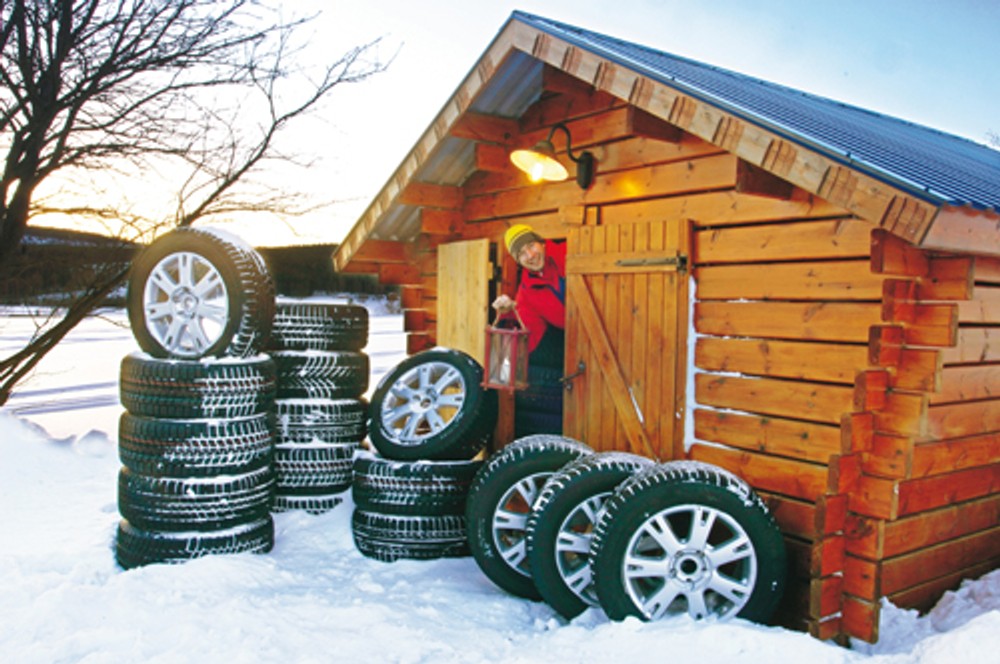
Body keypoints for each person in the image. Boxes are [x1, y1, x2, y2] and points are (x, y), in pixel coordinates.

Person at [491, 224, 566, 366]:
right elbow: (529, 335)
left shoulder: (568, 251)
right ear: (518, 261)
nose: (530, 255)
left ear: (541, 243)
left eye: (531, 246)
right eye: (521, 254)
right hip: (586, 344)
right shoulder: (526, 293)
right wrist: (507, 313)